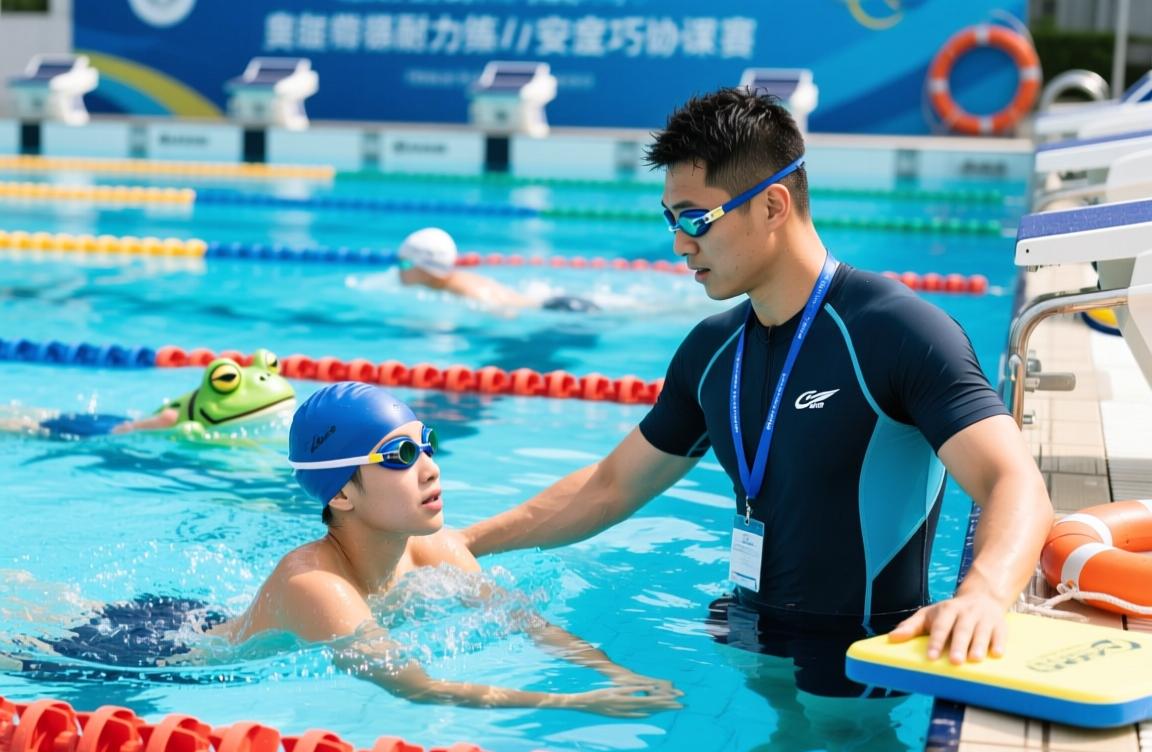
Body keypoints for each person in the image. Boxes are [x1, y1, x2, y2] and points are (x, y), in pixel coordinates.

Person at [462, 87, 1053, 671]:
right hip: (746, 632)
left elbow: (1014, 481)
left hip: (862, 659)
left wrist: (983, 593)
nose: (679, 243)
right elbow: (609, 487)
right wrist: (465, 543)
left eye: (696, 218)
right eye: (671, 218)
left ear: (772, 206)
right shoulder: (712, 352)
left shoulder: (896, 332)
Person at [207, 381, 680, 716]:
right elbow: (418, 687)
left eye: (426, 445)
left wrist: (614, 674)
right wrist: (576, 703)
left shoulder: (432, 548)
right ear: (342, 493)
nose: (431, 468)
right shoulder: (315, 585)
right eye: (401, 456)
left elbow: (526, 623)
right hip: (182, 657)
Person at [1, 349, 296, 439]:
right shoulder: (171, 419)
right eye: (226, 379)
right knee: (35, 427)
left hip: (119, 422)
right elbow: (132, 429)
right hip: (106, 430)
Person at [395, 227, 599, 313]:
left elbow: (506, 314)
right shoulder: (450, 281)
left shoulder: (464, 290)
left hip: (562, 309)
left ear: (427, 269)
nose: (399, 270)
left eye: (405, 264)